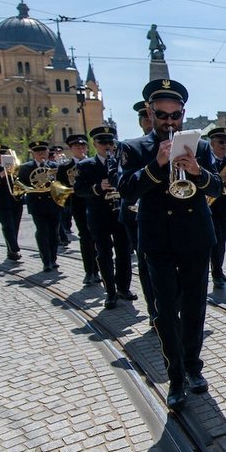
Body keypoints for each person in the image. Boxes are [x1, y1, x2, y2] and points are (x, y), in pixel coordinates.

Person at [117, 78, 222, 410]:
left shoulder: (199, 147)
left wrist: (197, 171)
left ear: (183, 114)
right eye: (162, 115)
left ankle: (193, 367)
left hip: (195, 236)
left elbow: (217, 188)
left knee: (194, 308)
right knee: (164, 311)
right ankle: (174, 376)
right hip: (158, 239)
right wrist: (157, 165)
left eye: (175, 115)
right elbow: (126, 191)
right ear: (150, 113)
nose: (169, 122)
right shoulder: (134, 148)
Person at [75, 126, 135, 310]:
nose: (107, 146)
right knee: (104, 253)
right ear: (95, 144)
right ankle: (110, 292)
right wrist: (98, 187)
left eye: (110, 142)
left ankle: (123, 288)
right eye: (103, 142)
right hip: (99, 215)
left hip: (120, 213)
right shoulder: (86, 165)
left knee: (124, 253)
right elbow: (79, 190)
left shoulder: (121, 162)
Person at [120, 100, 156, 323]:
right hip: (136, 214)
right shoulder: (131, 147)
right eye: (146, 117)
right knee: (145, 262)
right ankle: (154, 309)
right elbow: (122, 182)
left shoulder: (173, 144)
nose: (150, 121)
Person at [57, 134, 100, 285]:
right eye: (77, 147)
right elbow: (60, 187)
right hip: (78, 205)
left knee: (97, 237)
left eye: (83, 146)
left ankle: (98, 269)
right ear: (71, 149)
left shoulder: (95, 163)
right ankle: (89, 271)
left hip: (95, 203)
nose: (80, 149)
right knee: (85, 237)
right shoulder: (64, 167)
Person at [17, 141, 61, 272]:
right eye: (37, 151)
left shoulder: (55, 166)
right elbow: (20, 184)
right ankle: (46, 260)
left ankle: (53, 258)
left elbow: (61, 184)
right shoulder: (26, 168)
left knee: (54, 232)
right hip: (36, 203)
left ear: (48, 152)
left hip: (53, 203)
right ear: (33, 153)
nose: (41, 153)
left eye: (43, 151)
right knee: (42, 231)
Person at [206, 127, 226, 289]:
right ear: (212, 144)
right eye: (221, 142)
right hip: (210, 206)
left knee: (222, 241)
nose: (224, 145)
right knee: (214, 241)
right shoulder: (205, 160)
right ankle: (215, 273)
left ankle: (218, 270)